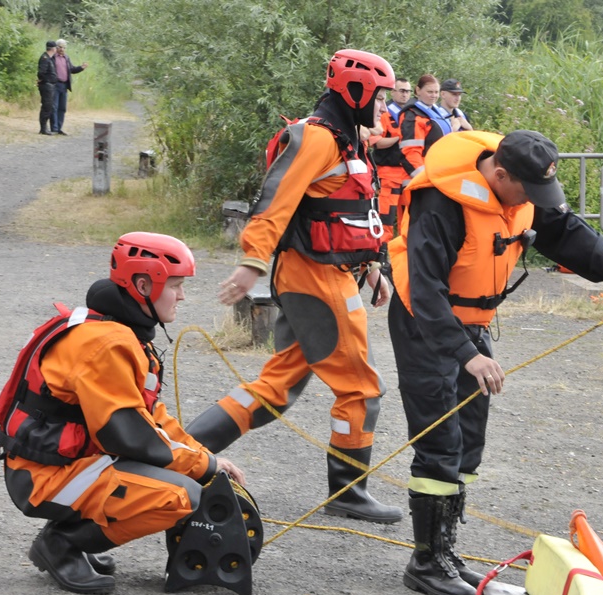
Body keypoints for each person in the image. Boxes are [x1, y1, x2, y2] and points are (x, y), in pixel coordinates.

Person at [387, 129, 603, 595]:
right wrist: (467, 354)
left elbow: (564, 231)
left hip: (471, 327)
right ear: (499, 174)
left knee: (469, 439)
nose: (535, 201)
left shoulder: (520, 193)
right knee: (440, 440)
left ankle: (446, 551)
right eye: (528, 191)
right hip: (427, 325)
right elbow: (425, 291)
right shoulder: (441, 204)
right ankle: (426, 563)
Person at [185, 50, 403, 524]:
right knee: (362, 389)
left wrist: (371, 266)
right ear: (356, 91)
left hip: (330, 270)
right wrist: (251, 264)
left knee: (278, 384)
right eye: (381, 96)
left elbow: (352, 213)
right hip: (313, 276)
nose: (386, 107)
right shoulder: (318, 139)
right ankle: (348, 492)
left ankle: (185, 448)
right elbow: (274, 203)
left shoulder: (350, 140)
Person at [0, 232, 246, 595]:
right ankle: (61, 544)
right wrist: (202, 468)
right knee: (180, 495)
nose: (183, 296)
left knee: (186, 479)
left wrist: (207, 459)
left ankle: (67, 538)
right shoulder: (108, 343)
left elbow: (153, 417)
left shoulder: (114, 329)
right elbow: (132, 437)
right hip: (42, 480)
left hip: (59, 467)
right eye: (175, 286)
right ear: (143, 284)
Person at [371, 77, 413, 239]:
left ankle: (405, 256)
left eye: (408, 91)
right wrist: (401, 137)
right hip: (388, 173)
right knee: (385, 217)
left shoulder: (412, 113)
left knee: (408, 219)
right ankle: (381, 254)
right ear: (393, 92)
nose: (405, 95)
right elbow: (377, 142)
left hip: (408, 174)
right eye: (402, 91)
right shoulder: (383, 112)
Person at [398, 74, 456, 180]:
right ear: (418, 90)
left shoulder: (438, 113)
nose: (433, 95)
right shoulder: (412, 115)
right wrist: (423, 177)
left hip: (438, 173)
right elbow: (411, 152)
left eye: (436, 92)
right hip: (421, 178)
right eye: (429, 92)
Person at [51, 39, 89, 136]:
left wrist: (81, 68)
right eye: (60, 47)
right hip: (55, 85)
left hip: (64, 85)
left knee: (62, 108)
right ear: (56, 47)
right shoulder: (52, 57)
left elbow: (71, 69)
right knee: (54, 107)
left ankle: (59, 128)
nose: (62, 49)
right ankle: (54, 128)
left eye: (64, 47)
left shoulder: (66, 58)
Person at [36, 41, 58, 136]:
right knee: (46, 106)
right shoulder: (45, 58)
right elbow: (41, 73)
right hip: (47, 85)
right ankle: (43, 128)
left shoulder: (50, 58)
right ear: (53, 49)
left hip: (50, 85)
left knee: (48, 107)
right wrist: (45, 81)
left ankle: (45, 127)